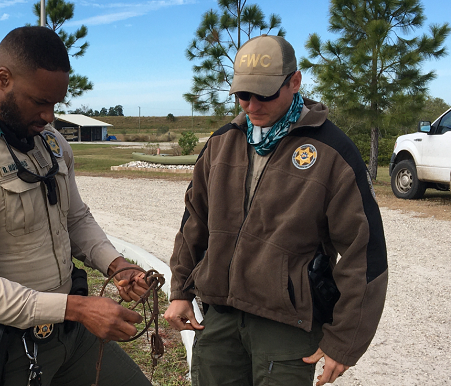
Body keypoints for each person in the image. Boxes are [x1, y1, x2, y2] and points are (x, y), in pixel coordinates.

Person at [0, 26, 152, 386]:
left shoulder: (50, 143)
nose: (49, 116)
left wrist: (116, 265)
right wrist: (78, 309)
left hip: (70, 336)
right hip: (8, 350)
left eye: (55, 104)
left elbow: (75, 218)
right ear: (3, 79)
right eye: (40, 102)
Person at [164, 35, 388, 386]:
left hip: (287, 329)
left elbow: (366, 253)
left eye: (264, 94)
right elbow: (195, 222)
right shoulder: (222, 143)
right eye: (242, 95)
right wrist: (180, 292)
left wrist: (345, 341)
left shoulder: (333, 151)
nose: (251, 105)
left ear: (294, 81)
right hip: (219, 320)